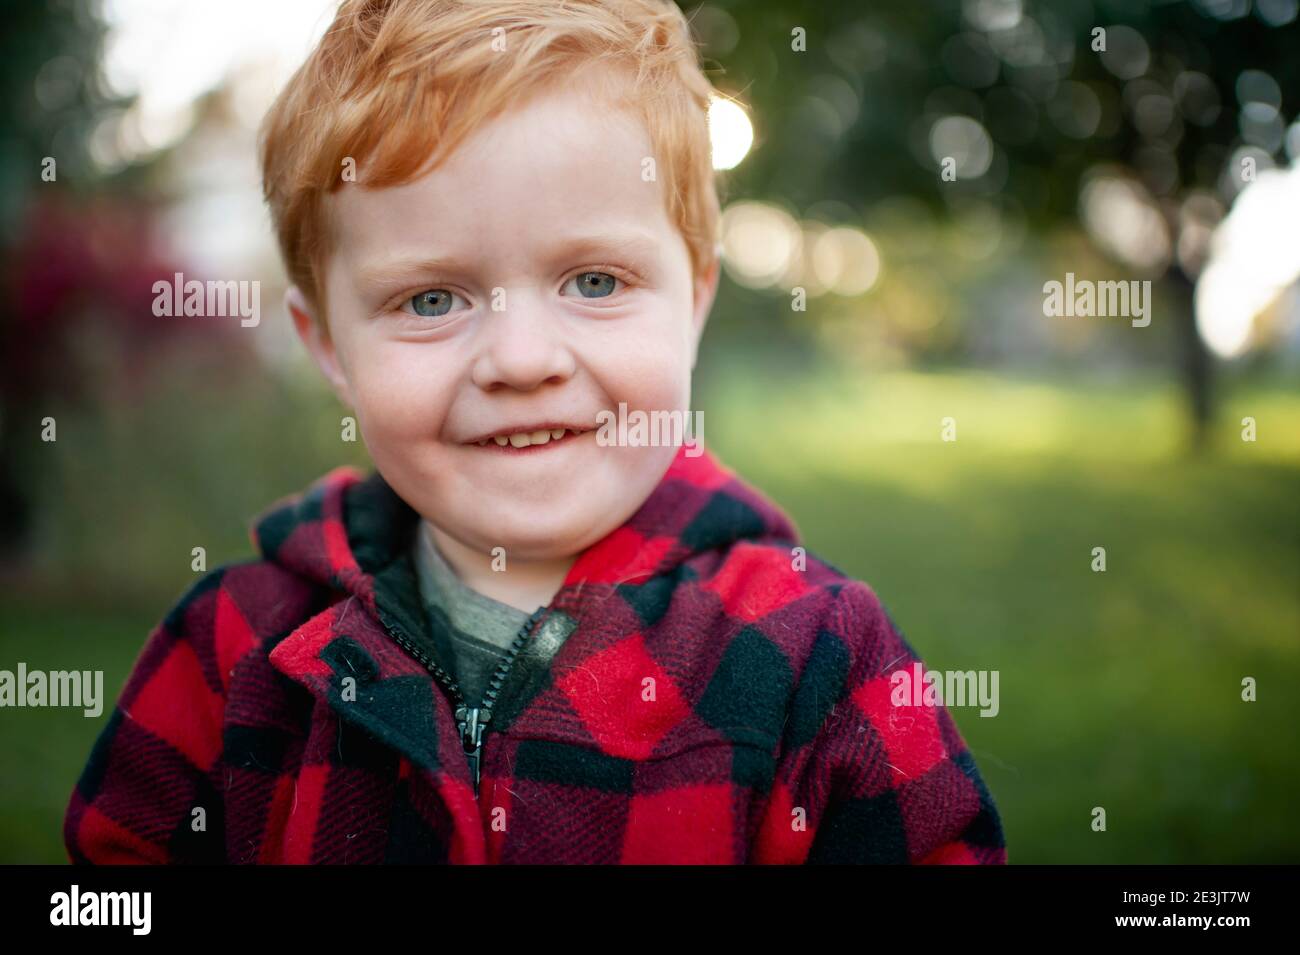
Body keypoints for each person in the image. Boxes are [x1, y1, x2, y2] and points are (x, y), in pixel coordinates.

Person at [64, 0, 1006, 864]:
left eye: (595, 282)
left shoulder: (816, 660)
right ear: (329, 347)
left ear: (696, 295)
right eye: (430, 298)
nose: (520, 359)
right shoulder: (233, 649)